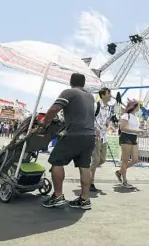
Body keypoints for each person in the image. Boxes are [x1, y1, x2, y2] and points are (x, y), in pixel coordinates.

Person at [41, 73, 96, 210]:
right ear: (83, 83)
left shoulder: (69, 92)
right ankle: (84, 199)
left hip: (74, 135)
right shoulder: (90, 96)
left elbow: (54, 109)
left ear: (71, 81)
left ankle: (58, 196)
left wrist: (44, 122)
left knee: (56, 162)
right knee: (84, 166)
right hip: (89, 136)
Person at [115, 99, 142, 189]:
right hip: (126, 137)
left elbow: (134, 128)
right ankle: (124, 181)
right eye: (138, 105)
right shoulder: (126, 115)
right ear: (134, 106)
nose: (139, 107)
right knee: (125, 160)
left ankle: (119, 172)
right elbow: (123, 128)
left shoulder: (136, 117)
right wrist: (136, 131)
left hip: (134, 138)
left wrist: (139, 131)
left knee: (135, 159)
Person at [90, 87, 112, 192]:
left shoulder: (108, 108)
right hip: (95, 136)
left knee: (102, 159)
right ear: (102, 95)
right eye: (108, 93)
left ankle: (87, 173)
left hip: (104, 136)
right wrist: (95, 128)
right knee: (96, 160)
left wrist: (108, 124)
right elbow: (90, 118)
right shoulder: (96, 105)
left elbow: (106, 119)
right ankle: (90, 182)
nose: (110, 95)